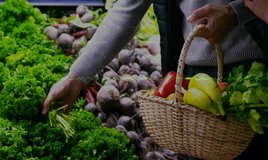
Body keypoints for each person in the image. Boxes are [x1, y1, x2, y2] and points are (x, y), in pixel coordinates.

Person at [42, 0, 268, 159]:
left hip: (253, 70)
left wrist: (235, 13)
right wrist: (76, 76)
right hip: (190, 75)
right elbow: (127, 9)